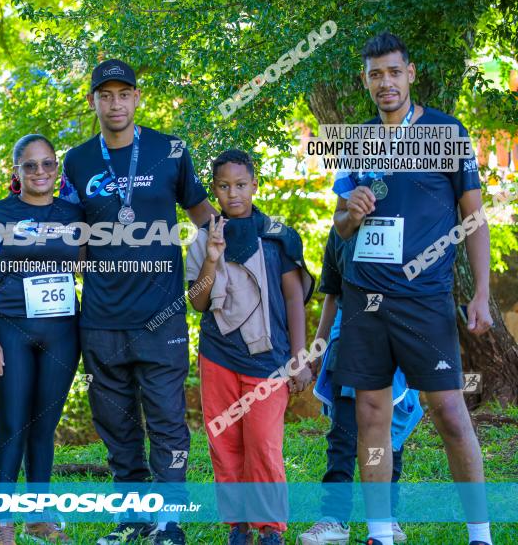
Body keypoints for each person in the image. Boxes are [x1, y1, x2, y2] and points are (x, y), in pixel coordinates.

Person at [332, 32, 493, 545]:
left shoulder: (446, 132)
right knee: (370, 412)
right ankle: (380, 532)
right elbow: (339, 226)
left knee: (449, 411)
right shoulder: (356, 140)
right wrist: (349, 214)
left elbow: (474, 216)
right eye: (375, 74)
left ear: (410, 74)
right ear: (366, 81)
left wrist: (482, 293)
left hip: (425, 300)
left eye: (393, 72)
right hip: (365, 298)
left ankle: (481, 534)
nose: (385, 82)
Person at [58, 59, 215, 545]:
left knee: (168, 421)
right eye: (105, 95)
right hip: (102, 318)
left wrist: (237, 256)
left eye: (124, 93)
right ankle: (132, 517)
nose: (116, 103)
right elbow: (71, 236)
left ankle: (169, 522)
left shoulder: (170, 150)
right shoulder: (77, 161)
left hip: (161, 315)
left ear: (137, 98)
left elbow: (206, 217)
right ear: (93, 102)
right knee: (115, 424)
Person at [186, 150, 314, 545]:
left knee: (263, 443)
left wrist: (299, 357)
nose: (233, 193)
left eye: (241, 185)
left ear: (254, 185)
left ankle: (271, 527)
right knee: (225, 442)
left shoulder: (278, 235)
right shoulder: (206, 236)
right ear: (215, 190)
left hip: (269, 359)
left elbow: (294, 299)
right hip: (218, 355)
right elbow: (199, 301)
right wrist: (211, 260)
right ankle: (237, 526)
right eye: (224, 187)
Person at [0, 134, 83, 545]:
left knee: (44, 425)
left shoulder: (73, 216)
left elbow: (93, 271)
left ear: (57, 169)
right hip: (9, 330)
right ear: (15, 171)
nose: (39, 172)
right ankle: (3, 522)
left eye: (47, 164)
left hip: (62, 334)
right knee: (13, 425)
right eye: (30, 165)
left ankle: (38, 516)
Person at [299, 227, 422, 545]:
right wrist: (317, 347)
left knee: (390, 435)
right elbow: (331, 293)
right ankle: (334, 519)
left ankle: (387, 517)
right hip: (347, 338)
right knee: (342, 434)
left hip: (397, 337)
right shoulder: (341, 229)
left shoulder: (410, 218)